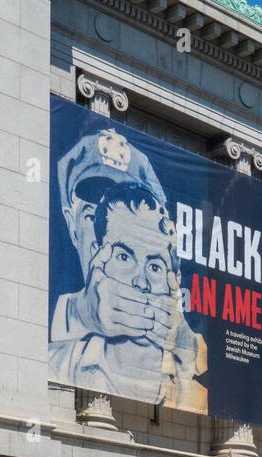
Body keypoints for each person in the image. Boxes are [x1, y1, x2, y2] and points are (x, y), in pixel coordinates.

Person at [52, 127, 207, 412]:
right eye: (91, 213)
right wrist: (80, 312)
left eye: (153, 262)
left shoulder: (192, 385)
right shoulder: (56, 354)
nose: (140, 279)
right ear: (71, 224)